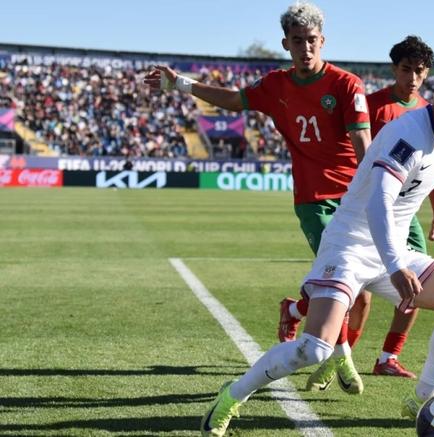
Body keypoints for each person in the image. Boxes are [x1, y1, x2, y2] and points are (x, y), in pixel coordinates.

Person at [199, 63, 434, 437]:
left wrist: (401, 252)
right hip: (349, 246)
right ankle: (231, 396)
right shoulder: (407, 134)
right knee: (314, 350)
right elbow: (378, 202)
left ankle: (424, 399)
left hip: (391, 247)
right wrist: (395, 265)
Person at [144, 1, 370, 393]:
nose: (305, 48)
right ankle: (340, 355)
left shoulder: (347, 85)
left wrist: (376, 193)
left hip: (355, 197)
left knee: (361, 292)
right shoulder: (276, 86)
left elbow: (363, 145)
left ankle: (295, 310)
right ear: (286, 44)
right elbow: (234, 100)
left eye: (311, 40)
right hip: (314, 199)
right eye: (297, 41)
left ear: (323, 40)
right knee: (339, 277)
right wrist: (181, 83)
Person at [278, 35, 434, 381]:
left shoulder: (430, 113)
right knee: (357, 291)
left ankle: (388, 357)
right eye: (406, 69)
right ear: (394, 69)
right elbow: (351, 150)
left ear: (427, 73)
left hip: (405, 211)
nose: (412, 77)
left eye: (419, 71)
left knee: (417, 285)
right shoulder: (373, 106)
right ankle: (332, 352)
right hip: (369, 206)